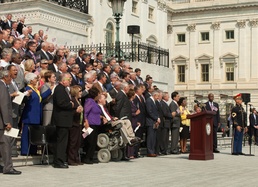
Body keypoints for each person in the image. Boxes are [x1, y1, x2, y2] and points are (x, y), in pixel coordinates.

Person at [21, 72, 51, 155]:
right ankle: (25, 151)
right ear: (30, 81)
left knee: (34, 134)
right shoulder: (28, 89)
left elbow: (40, 98)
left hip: (36, 115)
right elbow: (25, 98)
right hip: (29, 115)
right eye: (35, 79)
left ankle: (33, 151)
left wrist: (49, 90)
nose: (36, 80)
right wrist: (27, 95)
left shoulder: (36, 90)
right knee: (26, 134)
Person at [0, 70, 22, 175]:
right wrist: (7, 122)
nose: (11, 79)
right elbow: (4, 105)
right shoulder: (2, 86)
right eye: (9, 77)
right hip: (2, 123)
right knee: (6, 145)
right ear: (5, 77)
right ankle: (8, 168)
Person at [52, 73, 74, 168]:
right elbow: (61, 103)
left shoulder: (63, 89)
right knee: (61, 141)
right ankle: (58, 161)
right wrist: (71, 105)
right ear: (63, 80)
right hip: (61, 119)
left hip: (65, 120)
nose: (70, 81)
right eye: (68, 79)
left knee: (63, 141)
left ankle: (61, 159)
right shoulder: (59, 89)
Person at [83, 87, 101, 164]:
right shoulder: (89, 101)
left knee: (94, 142)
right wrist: (86, 121)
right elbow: (85, 112)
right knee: (90, 141)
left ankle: (91, 157)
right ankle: (87, 157)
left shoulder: (95, 102)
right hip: (90, 124)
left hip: (96, 124)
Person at [67, 85, 84, 166]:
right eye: (80, 91)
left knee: (78, 142)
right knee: (73, 142)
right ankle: (71, 159)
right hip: (74, 124)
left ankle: (76, 158)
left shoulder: (79, 100)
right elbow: (70, 113)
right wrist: (76, 111)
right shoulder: (72, 100)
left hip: (79, 123)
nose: (81, 93)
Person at [145, 90, 160, 157]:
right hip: (150, 122)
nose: (158, 98)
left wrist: (157, 119)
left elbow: (156, 111)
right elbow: (149, 111)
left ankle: (152, 150)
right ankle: (149, 151)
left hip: (154, 122)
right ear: (154, 95)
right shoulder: (149, 101)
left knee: (153, 137)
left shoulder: (154, 101)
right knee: (150, 137)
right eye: (157, 96)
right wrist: (156, 118)